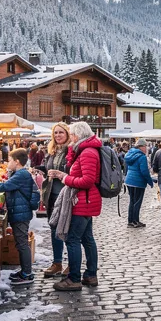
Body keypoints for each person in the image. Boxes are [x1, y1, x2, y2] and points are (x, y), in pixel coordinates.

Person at [49, 121, 101, 292]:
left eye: (71, 134)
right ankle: (90, 275)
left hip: (82, 201)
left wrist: (65, 178)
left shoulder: (87, 152)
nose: (70, 137)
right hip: (85, 200)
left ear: (78, 135)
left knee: (73, 240)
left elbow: (87, 180)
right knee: (87, 239)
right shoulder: (85, 150)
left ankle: (74, 279)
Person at [0, 148, 37, 285]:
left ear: (17, 161)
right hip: (19, 211)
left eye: (10, 160)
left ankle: (27, 274)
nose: (8, 163)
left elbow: (4, 186)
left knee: (22, 243)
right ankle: (25, 271)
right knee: (20, 242)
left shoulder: (22, 175)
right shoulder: (19, 173)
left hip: (21, 213)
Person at [39, 123, 71, 278]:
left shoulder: (71, 150)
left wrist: (60, 174)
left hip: (66, 194)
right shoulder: (52, 151)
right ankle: (57, 263)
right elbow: (47, 168)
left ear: (67, 134)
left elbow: (74, 171)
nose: (58, 135)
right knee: (53, 228)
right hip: (51, 194)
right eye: (56, 133)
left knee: (68, 229)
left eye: (61, 132)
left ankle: (72, 263)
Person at [123, 138, 153, 229]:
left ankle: (131, 221)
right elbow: (144, 171)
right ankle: (135, 221)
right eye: (145, 146)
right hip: (138, 182)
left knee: (132, 201)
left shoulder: (129, 154)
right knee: (137, 202)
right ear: (141, 147)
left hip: (129, 181)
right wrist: (150, 181)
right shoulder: (142, 157)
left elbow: (126, 168)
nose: (146, 148)